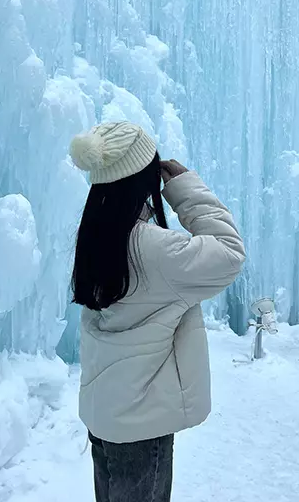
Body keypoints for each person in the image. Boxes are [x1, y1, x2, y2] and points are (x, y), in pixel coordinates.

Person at [69, 122, 246, 502]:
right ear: (142, 179)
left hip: (105, 416)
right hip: (139, 428)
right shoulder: (155, 250)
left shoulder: (94, 238)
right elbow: (229, 253)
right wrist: (185, 189)